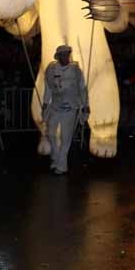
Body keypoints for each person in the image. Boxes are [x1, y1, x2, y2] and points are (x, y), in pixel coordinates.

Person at [42, 45, 88, 175]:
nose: (65, 56)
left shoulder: (76, 71)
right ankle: (56, 158)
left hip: (70, 107)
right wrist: (45, 103)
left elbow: (82, 89)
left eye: (67, 54)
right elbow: (48, 88)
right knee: (50, 133)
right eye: (62, 54)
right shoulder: (51, 69)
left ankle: (61, 166)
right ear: (58, 56)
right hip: (55, 106)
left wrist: (85, 105)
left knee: (65, 137)